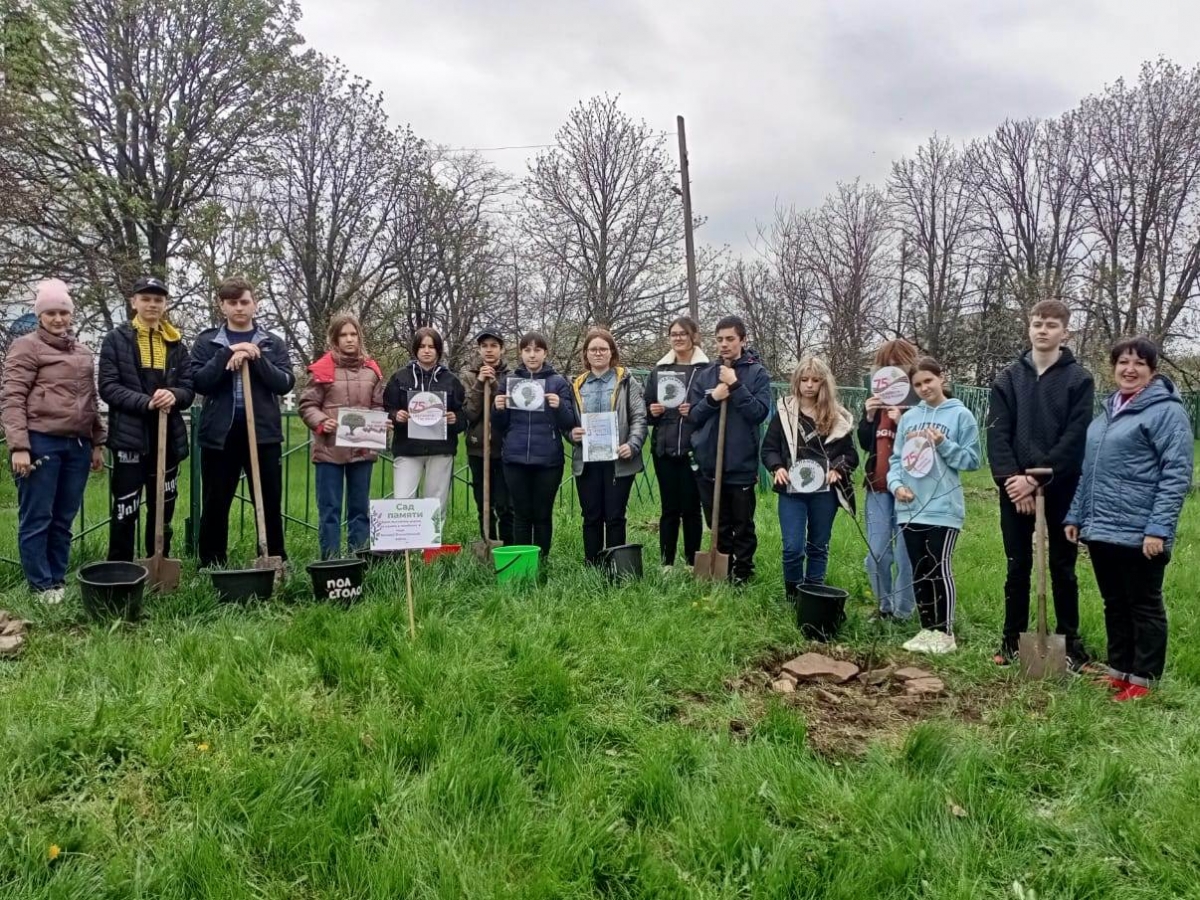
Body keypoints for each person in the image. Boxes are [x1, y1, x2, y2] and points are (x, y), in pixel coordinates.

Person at [1065, 337, 1192, 701]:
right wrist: (1076, 514)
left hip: (1141, 532)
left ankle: (1144, 680)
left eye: (1139, 363)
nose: (1129, 369)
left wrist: (1158, 529)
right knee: (1114, 603)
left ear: (1152, 371)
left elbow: (1176, 474)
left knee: (1144, 604)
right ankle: (1119, 671)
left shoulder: (1166, 412)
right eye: (1122, 362)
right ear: (1113, 367)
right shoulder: (1107, 414)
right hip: (1101, 527)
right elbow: (1087, 472)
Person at [987, 299, 1095, 668]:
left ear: (1065, 331)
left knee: (1062, 567)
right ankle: (1012, 639)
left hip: (1060, 485)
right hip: (1014, 486)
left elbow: (1075, 435)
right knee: (1017, 565)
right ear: (1028, 328)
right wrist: (1014, 481)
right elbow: (998, 434)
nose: (1043, 330)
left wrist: (1038, 478)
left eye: (1051, 324)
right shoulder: (1007, 378)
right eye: (1037, 323)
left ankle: (1070, 643)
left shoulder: (1079, 379)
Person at [1, 279, 106, 602]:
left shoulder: (83, 352)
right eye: (51, 313)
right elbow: (12, 397)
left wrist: (97, 441)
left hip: (76, 446)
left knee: (63, 517)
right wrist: (19, 446)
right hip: (40, 442)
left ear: (71, 314)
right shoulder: (26, 347)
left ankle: (57, 581)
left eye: (63, 312)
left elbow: (90, 401)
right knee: (37, 516)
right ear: (40, 316)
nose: (58, 319)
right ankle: (40, 585)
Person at [191, 276, 295, 568]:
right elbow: (200, 382)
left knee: (269, 501)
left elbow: (285, 382)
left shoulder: (272, 343)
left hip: (262, 433)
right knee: (215, 502)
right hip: (219, 435)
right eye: (232, 303)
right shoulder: (208, 342)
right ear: (222, 306)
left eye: (244, 302)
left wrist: (256, 357)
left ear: (254, 304)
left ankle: (274, 558)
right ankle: (211, 562)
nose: (239, 308)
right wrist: (229, 353)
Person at [887, 357, 981, 655]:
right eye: (918, 384)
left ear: (942, 378)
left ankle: (945, 632)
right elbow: (895, 460)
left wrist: (943, 444)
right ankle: (927, 628)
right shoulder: (910, 418)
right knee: (919, 568)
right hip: (911, 506)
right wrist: (896, 485)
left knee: (938, 567)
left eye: (929, 380)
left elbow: (972, 460)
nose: (924, 387)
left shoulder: (960, 416)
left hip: (943, 506)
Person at [98, 276, 194, 563]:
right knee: (126, 507)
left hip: (168, 437)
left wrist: (174, 395)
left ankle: (158, 560)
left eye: (158, 299)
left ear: (164, 304)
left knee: (163, 506)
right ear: (134, 302)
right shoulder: (116, 340)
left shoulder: (175, 343)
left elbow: (189, 388)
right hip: (130, 436)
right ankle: (121, 567)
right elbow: (108, 387)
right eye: (146, 298)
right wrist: (147, 401)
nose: (152, 304)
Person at [762, 355, 858, 599]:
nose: (809, 385)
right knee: (792, 547)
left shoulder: (838, 416)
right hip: (792, 491)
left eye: (815, 380)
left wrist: (837, 469)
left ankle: (814, 594)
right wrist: (777, 467)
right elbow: (769, 448)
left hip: (824, 493)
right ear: (797, 381)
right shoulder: (784, 412)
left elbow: (851, 455)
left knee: (818, 545)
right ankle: (793, 596)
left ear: (823, 383)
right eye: (804, 379)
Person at [686, 315, 772, 584]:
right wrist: (714, 397)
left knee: (742, 525)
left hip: (740, 464)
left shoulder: (756, 373)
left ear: (742, 340)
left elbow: (759, 413)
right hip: (710, 464)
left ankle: (743, 572)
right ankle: (721, 568)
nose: (724, 344)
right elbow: (693, 415)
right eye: (720, 339)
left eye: (730, 339)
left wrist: (735, 386)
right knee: (717, 523)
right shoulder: (706, 374)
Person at [299, 315, 385, 559]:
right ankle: (331, 561)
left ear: (359, 337)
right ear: (335, 339)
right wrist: (321, 421)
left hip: (362, 450)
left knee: (359, 508)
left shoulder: (372, 371)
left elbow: (378, 404)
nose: (349, 339)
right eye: (343, 335)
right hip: (329, 450)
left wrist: (380, 421)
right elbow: (307, 405)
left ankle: (358, 558)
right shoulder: (323, 369)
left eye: (353, 334)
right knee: (330, 509)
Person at [493, 332, 575, 560]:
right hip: (515, 459)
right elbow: (498, 425)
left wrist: (558, 406)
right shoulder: (509, 382)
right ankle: (522, 563)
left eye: (537, 350)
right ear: (521, 353)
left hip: (548, 460)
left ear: (545, 353)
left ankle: (542, 561)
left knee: (542, 513)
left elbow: (569, 422)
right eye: (527, 350)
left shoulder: (558, 382)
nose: (532, 355)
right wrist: (497, 408)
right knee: (521, 514)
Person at [569, 328, 648, 565]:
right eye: (593, 349)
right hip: (587, 460)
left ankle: (617, 566)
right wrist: (571, 434)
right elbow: (568, 422)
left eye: (603, 348)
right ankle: (592, 565)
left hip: (619, 461)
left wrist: (632, 445)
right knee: (591, 516)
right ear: (586, 354)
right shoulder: (577, 385)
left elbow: (639, 417)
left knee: (615, 516)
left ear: (612, 352)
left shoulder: (626, 381)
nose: (598, 353)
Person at [858, 339, 919, 621]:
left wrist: (903, 418)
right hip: (878, 487)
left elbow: (924, 448)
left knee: (907, 555)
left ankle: (903, 612)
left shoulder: (921, 404)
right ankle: (884, 607)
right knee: (877, 553)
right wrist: (869, 416)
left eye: (898, 366)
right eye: (886, 366)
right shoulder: (878, 402)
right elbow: (864, 443)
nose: (892, 372)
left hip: (911, 490)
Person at [644, 316, 708, 570]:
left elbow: (712, 407)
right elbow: (646, 410)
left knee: (692, 509)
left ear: (694, 337)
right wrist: (654, 411)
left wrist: (695, 410)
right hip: (665, 449)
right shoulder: (659, 371)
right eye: (674, 334)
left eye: (683, 333)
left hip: (695, 450)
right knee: (669, 509)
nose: (678, 338)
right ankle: (666, 564)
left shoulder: (706, 371)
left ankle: (693, 563)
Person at [383, 327, 465, 516]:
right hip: (407, 448)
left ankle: (430, 546)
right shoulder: (400, 378)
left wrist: (455, 419)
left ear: (438, 350)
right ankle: (404, 545)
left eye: (431, 346)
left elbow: (463, 415)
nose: (427, 350)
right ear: (415, 349)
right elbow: (387, 409)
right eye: (422, 346)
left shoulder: (451, 380)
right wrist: (396, 415)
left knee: (435, 504)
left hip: (440, 450)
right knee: (402, 502)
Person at [461, 326, 513, 545]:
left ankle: (508, 546)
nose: (489, 351)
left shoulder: (512, 376)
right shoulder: (468, 376)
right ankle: (487, 542)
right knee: (483, 503)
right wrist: (480, 384)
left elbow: (512, 410)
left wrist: (495, 384)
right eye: (484, 346)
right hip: (478, 448)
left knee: (505, 503)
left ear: (501, 349)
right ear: (479, 349)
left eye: (493, 346)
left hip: (503, 449)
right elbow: (469, 413)